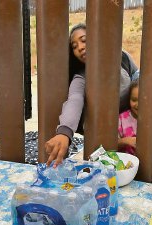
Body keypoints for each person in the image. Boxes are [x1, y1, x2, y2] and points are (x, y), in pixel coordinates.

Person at [45, 23, 139, 167]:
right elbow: (74, 100)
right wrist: (64, 132)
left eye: (84, 40)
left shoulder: (122, 58)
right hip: (102, 135)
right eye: (74, 46)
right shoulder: (81, 77)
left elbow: (139, 82)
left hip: (131, 126)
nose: (80, 47)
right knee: (104, 173)